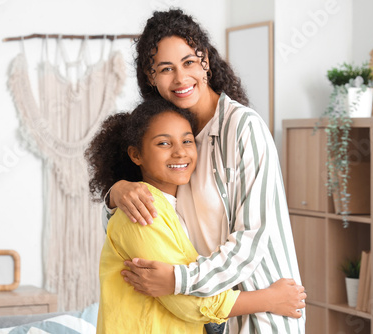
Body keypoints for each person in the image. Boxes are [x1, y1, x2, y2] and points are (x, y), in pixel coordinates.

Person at [105, 9, 306, 334]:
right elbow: (139, 221)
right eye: (166, 69)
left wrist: (176, 280)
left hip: (260, 314)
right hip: (204, 316)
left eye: (189, 62)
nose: (181, 79)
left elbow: (250, 240)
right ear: (150, 76)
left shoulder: (243, 128)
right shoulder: (168, 136)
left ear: (206, 62)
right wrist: (115, 193)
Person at [86, 99, 306, 333]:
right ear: (136, 154)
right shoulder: (143, 210)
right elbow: (189, 302)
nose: (180, 152)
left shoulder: (179, 209)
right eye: (163, 143)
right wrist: (270, 299)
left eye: (187, 141)